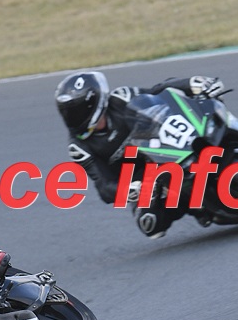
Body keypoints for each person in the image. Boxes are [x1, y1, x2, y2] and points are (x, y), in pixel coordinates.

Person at [54, 71, 227, 238]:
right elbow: (103, 186)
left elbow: (158, 90)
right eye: (67, 112)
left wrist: (191, 83)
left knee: (205, 113)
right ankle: (196, 206)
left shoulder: (121, 98)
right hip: (143, 179)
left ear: (94, 102)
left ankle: (234, 137)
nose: (72, 117)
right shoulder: (78, 147)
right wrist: (129, 190)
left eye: (75, 110)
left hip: (165, 145)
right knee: (150, 224)